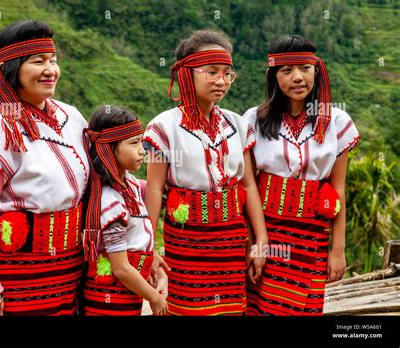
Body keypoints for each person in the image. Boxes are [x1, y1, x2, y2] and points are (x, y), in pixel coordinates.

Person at [0, 20, 89, 315]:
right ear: (11, 67)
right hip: (19, 277)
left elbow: (100, 180)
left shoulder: (72, 117)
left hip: (72, 270)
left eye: (53, 60)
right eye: (38, 61)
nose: (50, 70)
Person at [143, 30, 268, 316]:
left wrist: (261, 240)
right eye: (211, 72)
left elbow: (248, 183)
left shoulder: (237, 125)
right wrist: (148, 247)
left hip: (231, 241)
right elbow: (154, 189)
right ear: (187, 74)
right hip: (186, 243)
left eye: (227, 73)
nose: (221, 81)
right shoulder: (164, 128)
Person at [243, 35, 360, 316]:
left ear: (316, 70)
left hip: (312, 238)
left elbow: (338, 189)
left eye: (304, 69)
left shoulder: (337, 123)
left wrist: (337, 250)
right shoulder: (253, 120)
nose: (297, 78)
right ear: (273, 75)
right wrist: (255, 243)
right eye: (286, 71)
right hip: (267, 234)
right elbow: (247, 186)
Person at [82, 105, 168, 316]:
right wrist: (154, 298)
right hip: (110, 300)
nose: (142, 150)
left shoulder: (128, 184)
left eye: (141, 141)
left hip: (127, 295)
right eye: (134, 143)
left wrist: (150, 254)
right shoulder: (111, 203)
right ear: (109, 149)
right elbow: (120, 268)